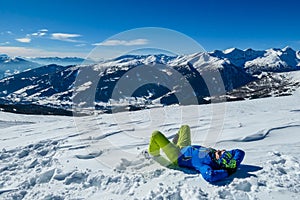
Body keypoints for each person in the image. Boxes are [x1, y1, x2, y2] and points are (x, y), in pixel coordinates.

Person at [148, 125, 245, 183]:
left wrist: (227, 172)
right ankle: (173, 144)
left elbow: (210, 176)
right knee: (185, 127)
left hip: (177, 156)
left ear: (218, 160)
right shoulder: (216, 155)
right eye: (223, 150)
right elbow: (240, 152)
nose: (219, 150)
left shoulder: (205, 164)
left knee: (156, 134)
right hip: (184, 146)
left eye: (219, 152)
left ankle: (152, 154)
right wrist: (234, 163)